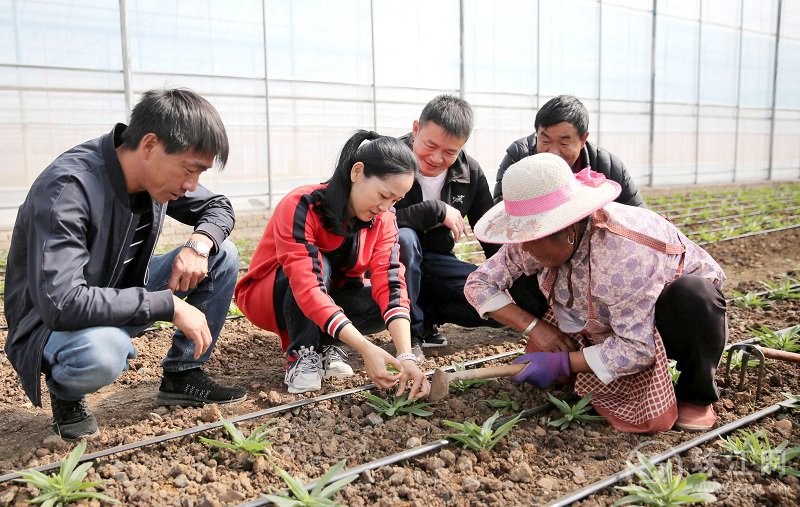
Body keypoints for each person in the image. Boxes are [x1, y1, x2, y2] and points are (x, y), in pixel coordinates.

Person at [4, 89, 247, 441]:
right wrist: (166, 304)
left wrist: (199, 244)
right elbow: (62, 302)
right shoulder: (70, 188)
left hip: (117, 294)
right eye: (190, 169)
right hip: (50, 323)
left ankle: (182, 375)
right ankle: (67, 394)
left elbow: (219, 207)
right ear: (150, 145)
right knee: (104, 350)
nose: (193, 185)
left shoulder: (152, 175)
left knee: (222, 254)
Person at [465, 153, 727, 433]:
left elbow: (637, 348)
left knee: (694, 296)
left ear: (564, 231)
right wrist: (536, 328)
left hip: (660, 320)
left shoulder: (623, 253)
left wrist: (563, 362)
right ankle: (580, 354)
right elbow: (479, 284)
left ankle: (696, 394)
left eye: (530, 242)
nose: (523, 249)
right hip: (605, 316)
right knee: (520, 277)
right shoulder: (536, 240)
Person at [234, 131, 429, 398]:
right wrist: (364, 347)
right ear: (357, 172)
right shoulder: (303, 204)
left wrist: (406, 356)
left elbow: (391, 282)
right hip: (270, 297)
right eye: (384, 195)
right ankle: (302, 353)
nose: (386, 207)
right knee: (319, 266)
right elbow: (307, 286)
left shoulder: (384, 221)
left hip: (331, 295)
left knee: (379, 303)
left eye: (395, 200)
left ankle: (327, 343)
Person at [492, 94, 645, 322]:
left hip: (595, 258)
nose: (553, 152)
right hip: (541, 252)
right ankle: (544, 321)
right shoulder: (520, 158)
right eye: (544, 140)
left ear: (583, 139)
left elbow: (638, 219)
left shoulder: (608, 166)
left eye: (564, 143)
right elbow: (505, 211)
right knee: (521, 277)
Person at [395, 95, 501, 359]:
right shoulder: (389, 158)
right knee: (406, 239)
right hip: (392, 264)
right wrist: (435, 210)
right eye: (430, 145)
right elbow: (371, 218)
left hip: (438, 261)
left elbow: (488, 231)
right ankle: (411, 333)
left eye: (450, 152)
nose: (436, 157)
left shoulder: (470, 172)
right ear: (416, 129)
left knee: (498, 305)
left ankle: (430, 314)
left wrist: (505, 280)